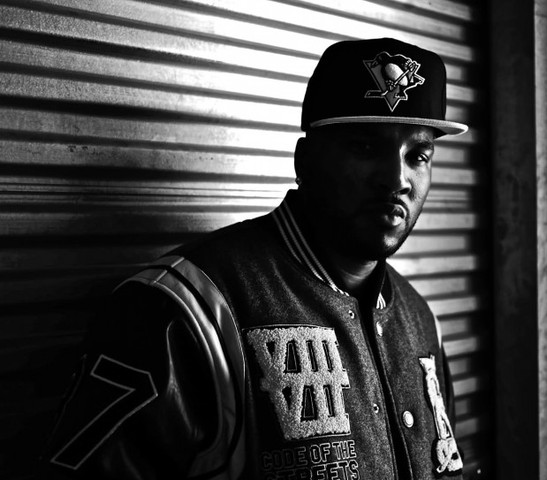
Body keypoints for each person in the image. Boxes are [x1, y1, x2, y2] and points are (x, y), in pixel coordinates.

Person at [40, 37, 468, 480]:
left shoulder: (419, 319)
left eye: (418, 155)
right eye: (365, 148)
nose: (397, 178)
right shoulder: (182, 309)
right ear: (304, 161)